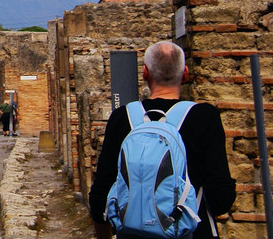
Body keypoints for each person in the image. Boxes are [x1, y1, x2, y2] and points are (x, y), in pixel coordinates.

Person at [87, 41, 236, 239]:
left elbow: (101, 194)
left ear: (144, 73)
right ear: (185, 73)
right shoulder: (204, 117)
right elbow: (221, 199)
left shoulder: (122, 117)